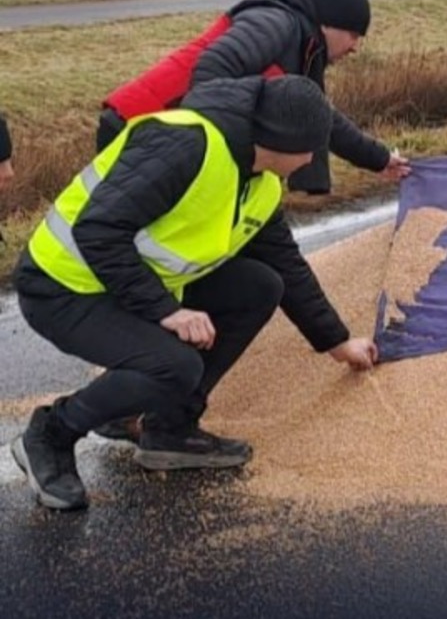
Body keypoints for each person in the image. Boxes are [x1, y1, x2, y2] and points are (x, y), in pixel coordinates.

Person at [9, 75, 379, 511]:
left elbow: (286, 264)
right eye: (311, 148)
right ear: (284, 140)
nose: (313, 158)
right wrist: (166, 310)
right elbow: (98, 229)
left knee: (261, 286)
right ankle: (51, 433)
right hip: (62, 285)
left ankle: (170, 428)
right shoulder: (185, 145)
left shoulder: (259, 182)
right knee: (174, 365)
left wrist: (336, 342)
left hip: (125, 282)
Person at [97, 0, 410, 194]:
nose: (355, 47)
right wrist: (230, 150)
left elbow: (317, 118)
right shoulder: (275, 23)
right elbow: (211, 70)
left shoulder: (304, 50)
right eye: (354, 34)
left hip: (168, 140)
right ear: (329, 23)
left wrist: (379, 159)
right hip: (137, 127)